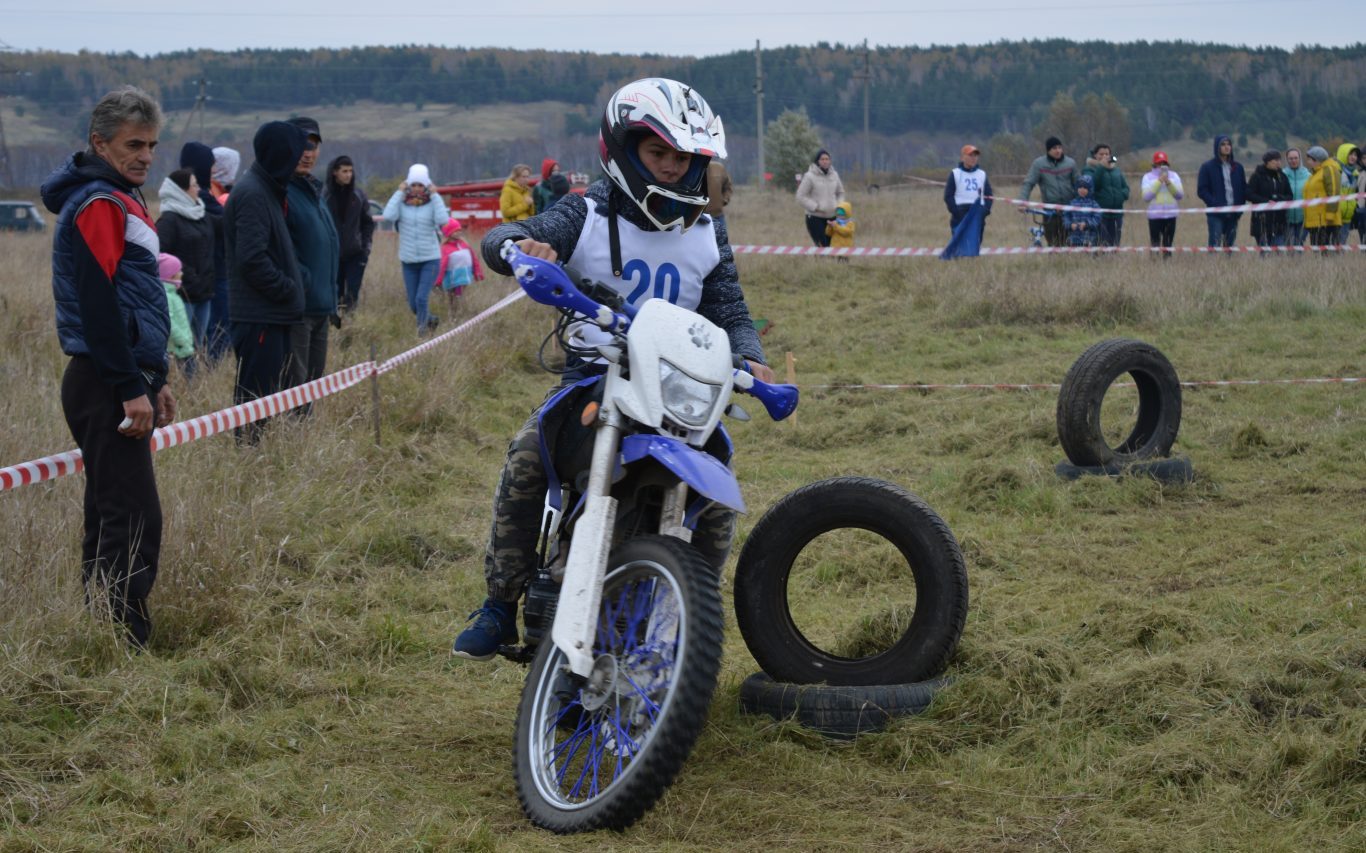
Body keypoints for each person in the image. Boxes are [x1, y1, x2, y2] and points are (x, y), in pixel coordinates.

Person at [453, 77, 773, 661]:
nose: (672, 168)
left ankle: (690, 616)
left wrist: (752, 356)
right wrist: (520, 249)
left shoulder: (707, 228)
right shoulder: (586, 211)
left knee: (720, 496)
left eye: (683, 157)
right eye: (658, 153)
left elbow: (729, 308)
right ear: (624, 149)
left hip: (680, 392)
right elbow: (506, 235)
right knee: (528, 455)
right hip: (596, 380)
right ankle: (500, 602)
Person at [39, 85, 177, 648]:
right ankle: (126, 640)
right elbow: (99, 306)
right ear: (99, 143)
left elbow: (133, 301)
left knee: (111, 509)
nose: (145, 155)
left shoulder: (119, 197)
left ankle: (102, 632)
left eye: (151, 144)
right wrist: (128, 386)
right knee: (134, 516)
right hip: (103, 379)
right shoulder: (100, 202)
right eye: (132, 144)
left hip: (118, 377)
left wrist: (156, 379)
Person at [224, 121, 309, 443]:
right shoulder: (253, 194)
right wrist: (287, 288)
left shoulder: (267, 189)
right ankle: (248, 456)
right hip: (259, 316)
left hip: (269, 314)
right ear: (284, 155)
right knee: (254, 397)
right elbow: (252, 259)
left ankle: (255, 451)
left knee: (266, 396)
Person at [283, 116, 340, 395]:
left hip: (322, 305)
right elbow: (285, 250)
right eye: (301, 144)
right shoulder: (282, 191)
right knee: (295, 384)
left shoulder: (314, 191)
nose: (308, 153)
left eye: (314, 145)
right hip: (299, 308)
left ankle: (305, 436)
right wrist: (303, 283)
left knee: (314, 385)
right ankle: (292, 437)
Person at [155, 167, 213, 369]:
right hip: (182, 294)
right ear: (181, 190)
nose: (198, 189)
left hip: (204, 293)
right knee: (180, 345)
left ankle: (194, 386)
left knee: (197, 345)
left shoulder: (201, 213)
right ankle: (179, 384)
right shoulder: (169, 220)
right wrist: (188, 276)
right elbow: (160, 253)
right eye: (194, 185)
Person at [382, 164, 451, 334]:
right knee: (413, 304)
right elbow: (388, 215)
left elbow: (443, 219)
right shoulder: (402, 204)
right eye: (414, 185)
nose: (417, 189)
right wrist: (399, 192)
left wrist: (435, 196)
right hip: (409, 260)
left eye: (421, 185)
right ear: (409, 185)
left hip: (430, 259)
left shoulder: (431, 203)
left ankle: (422, 334)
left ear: (426, 185)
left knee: (421, 299)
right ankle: (431, 320)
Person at [178, 142, 225, 367]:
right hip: (204, 278)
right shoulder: (198, 202)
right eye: (211, 166)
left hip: (206, 278)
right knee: (203, 338)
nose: (214, 171)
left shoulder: (205, 197)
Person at [324, 155, 375, 314]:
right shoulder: (324, 197)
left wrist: (366, 249)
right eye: (344, 171)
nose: (348, 175)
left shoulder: (358, 196)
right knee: (335, 294)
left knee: (352, 295)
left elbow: (368, 223)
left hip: (356, 253)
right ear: (334, 172)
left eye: (350, 171)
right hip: (333, 255)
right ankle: (337, 327)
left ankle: (350, 328)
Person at [204, 146, 240, 361]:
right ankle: (214, 362)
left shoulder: (223, 191)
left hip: (223, 268)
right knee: (219, 324)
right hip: (217, 269)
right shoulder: (213, 195)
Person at [1018, 136, 1078, 247]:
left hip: (1069, 210)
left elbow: (1079, 185)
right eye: (1054, 148)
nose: (1058, 150)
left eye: (1060, 147)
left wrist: (1082, 203)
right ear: (1048, 150)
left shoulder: (1071, 163)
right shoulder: (1039, 164)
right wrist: (1023, 202)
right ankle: (1054, 262)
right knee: (1053, 242)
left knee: (1070, 242)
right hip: (1050, 211)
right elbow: (1028, 183)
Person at [1196, 135, 1247, 251]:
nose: (1226, 147)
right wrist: (1215, 204)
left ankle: (1228, 267)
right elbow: (1202, 190)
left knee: (1229, 246)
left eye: (1228, 144)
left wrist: (1240, 208)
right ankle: (1213, 267)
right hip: (1215, 214)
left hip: (1234, 213)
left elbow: (1244, 189)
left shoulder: (1238, 167)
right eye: (1223, 145)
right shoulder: (1207, 167)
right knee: (1214, 245)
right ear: (1217, 147)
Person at [1084, 143, 1130, 247]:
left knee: (1115, 243)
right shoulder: (1089, 170)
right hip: (1100, 214)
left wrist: (1122, 196)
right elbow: (1092, 186)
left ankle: (1112, 261)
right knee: (1100, 242)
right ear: (1095, 155)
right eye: (1101, 154)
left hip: (1117, 213)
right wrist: (1101, 168)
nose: (1104, 156)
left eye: (1107, 154)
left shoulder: (1116, 170)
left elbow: (1125, 188)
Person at [796, 149, 845, 248]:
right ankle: (820, 263)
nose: (825, 161)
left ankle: (831, 263)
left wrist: (839, 206)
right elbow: (800, 196)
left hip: (833, 217)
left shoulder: (834, 175)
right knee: (822, 246)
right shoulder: (809, 176)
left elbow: (840, 192)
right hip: (815, 217)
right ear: (817, 161)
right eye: (822, 159)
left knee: (833, 246)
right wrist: (815, 206)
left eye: (827, 159)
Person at [944, 143, 993, 239]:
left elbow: (989, 196)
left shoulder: (982, 174)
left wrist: (985, 211)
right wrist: (956, 211)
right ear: (962, 158)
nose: (973, 158)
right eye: (970, 155)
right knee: (960, 244)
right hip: (960, 212)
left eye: (975, 155)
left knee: (975, 243)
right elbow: (948, 196)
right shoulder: (955, 173)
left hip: (978, 212)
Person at [1246, 150, 1292, 253]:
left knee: (1279, 253)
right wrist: (1266, 201)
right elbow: (1249, 194)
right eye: (1275, 160)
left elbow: (1290, 195)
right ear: (1267, 162)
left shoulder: (1282, 176)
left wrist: (1279, 200)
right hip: (1262, 221)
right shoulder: (1257, 176)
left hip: (1279, 222)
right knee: (1265, 254)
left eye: (1279, 160)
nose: (1278, 163)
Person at [1141, 151, 1183, 259]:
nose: (1161, 166)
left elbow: (1179, 195)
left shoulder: (1174, 176)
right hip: (1155, 216)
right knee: (1155, 243)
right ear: (1154, 164)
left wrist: (1168, 182)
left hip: (1171, 215)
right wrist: (1159, 181)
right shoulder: (1147, 177)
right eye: (1159, 163)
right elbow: (1146, 197)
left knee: (1168, 243)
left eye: (1163, 163)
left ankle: (1167, 264)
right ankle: (1154, 264)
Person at [436, 218, 483, 314]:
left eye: (459, 230)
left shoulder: (465, 245)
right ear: (448, 233)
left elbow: (474, 259)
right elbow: (442, 265)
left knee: (459, 295)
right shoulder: (445, 248)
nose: (458, 232)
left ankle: (459, 312)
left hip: (464, 277)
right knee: (452, 296)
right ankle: (454, 313)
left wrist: (477, 272)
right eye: (455, 231)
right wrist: (438, 280)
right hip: (451, 278)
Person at [158, 252, 195, 366]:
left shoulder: (173, 293)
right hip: (177, 350)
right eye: (178, 270)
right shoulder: (167, 296)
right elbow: (170, 323)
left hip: (183, 348)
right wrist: (183, 341)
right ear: (170, 274)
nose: (181, 273)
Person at [1302, 146, 1340, 249]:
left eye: (1309, 159)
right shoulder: (1315, 173)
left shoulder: (1329, 170)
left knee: (1326, 254)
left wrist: (1330, 215)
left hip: (1326, 221)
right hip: (1315, 220)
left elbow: (1333, 192)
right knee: (1317, 253)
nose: (1308, 162)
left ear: (1317, 160)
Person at [1063, 174, 1102, 247]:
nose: (1082, 189)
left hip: (1089, 238)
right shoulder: (1072, 203)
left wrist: (1087, 224)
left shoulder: (1093, 204)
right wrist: (1070, 225)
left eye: (1085, 187)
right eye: (1080, 187)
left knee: (1087, 256)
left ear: (1090, 189)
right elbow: (1066, 216)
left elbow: (1097, 218)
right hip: (1073, 238)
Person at [1283, 148, 1310, 248]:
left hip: (1303, 217)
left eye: (1295, 158)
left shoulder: (1308, 176)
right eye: (1290, 159)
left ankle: (1298, 263)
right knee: (1288, 245)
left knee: (1299, 244)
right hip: (1287, 217)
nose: (1293, 161)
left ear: (1300, 159)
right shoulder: (1282, 175)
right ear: (1287, 160)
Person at [1333, 144, 1360, 245]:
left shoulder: (1355, 174)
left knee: (1342, 245)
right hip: (1336, 215)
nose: (1354, 157)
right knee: (1333, 245)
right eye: (1351, 154)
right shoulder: (1336, 170)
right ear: (1344, 154)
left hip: (1348, 216)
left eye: (1355, 155)